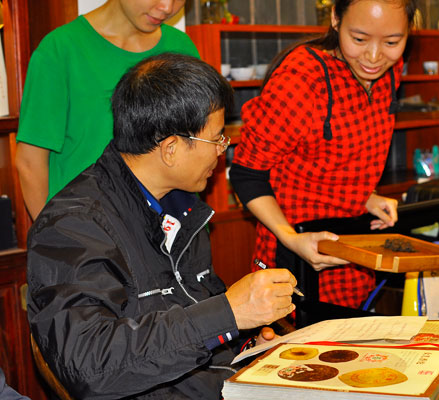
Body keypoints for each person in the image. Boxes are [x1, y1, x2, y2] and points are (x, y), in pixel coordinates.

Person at [27, 53, 296, 399]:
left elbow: (195, 312)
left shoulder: (181, 205)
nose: (222, 151)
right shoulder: (72, 226)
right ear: (170, 149)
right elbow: (91, 366)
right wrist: (228, 314)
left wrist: (245, 344)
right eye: (217, 139)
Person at [230, 0, 417, 309]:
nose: (373, 57)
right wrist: (291, 237)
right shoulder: (302, 78)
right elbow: (247, 173)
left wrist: (364, 196)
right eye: (359, 39)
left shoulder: (389, 71)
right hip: (295, 249)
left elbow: (330, 157)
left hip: (352, 249)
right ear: (335, 18)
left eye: (392, 42)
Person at [16, 0, 200, 220]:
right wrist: (53, 235)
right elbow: (30, 163)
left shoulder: (181, 47)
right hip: (87, 224)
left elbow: (199, 144)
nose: (167, 7)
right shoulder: (61, 49)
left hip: (173, 223)